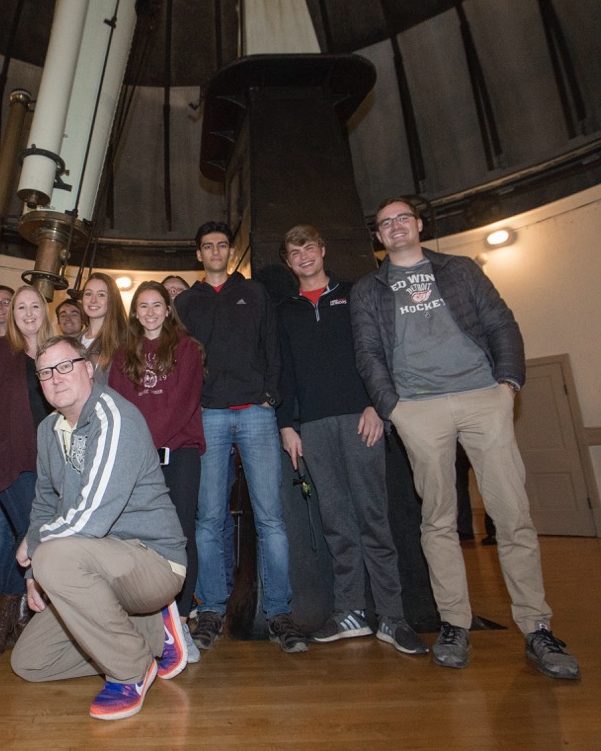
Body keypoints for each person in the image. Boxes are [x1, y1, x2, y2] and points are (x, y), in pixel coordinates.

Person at [350, 196, 580, 680]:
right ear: (378, 235)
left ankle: (537, 627)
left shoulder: (459, 270)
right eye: (384, 223)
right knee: (437, 521)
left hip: (482, 397)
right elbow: (368, 351)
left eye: (402, 219)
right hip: (419, 409)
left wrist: (508, 385)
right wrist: (395, 409)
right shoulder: (369, 289)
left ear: (418, 224)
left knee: (512, 515)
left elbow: (500, 321)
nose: (394, 227)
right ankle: (454, 623)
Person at [11, 337, 188, 721]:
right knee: (31, 663)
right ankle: (151, 632)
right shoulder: (48, 431)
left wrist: (38, 548)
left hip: (151, 561)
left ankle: (130, 668)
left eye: (65, 366)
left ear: (88, 368)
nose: (55, 379)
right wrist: (32, 573)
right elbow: (44, 504)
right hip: (94, 564)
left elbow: (92, 517)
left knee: (54, 558)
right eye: (44, 372)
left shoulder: (112, 415)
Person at [276, 225, 428, 656]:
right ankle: (351, 613)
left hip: (362, 420)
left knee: (373, 519)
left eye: (309, 246)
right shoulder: (285, 309)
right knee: (336, 523)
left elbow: (378, 351)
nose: (303, 255)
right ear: (288, 262)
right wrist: (288, 424)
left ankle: (392, 617)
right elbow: (284, 370)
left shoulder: (356, 294)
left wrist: (375, 405)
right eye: (294, 251)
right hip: (313, 429)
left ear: (322, 250)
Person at [174, 221, 307, 653]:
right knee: (208, 519)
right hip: (209, 415)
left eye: (222, 246)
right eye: (207, 246)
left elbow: (274, 346)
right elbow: (180, 362)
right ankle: (211, 609)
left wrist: (271, 395)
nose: (215, 251)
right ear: (199, 254)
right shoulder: (187, 303)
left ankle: (279, 611)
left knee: (271, 518)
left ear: (230, 252)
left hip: (254, 413)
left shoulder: (254, 293)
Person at [108, 281, 205, 662]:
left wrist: (148, 445)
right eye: (142, 306)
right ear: (135, 313)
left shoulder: (187, 349)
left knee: (180, 535)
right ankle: (146, 625)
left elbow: (182, 404)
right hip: (138, 460)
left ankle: (179, 622)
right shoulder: (122, 354)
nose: (150, 312)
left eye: (157, 305)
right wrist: (137, 450)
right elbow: (118, 406)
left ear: (168, 309)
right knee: (137, 539)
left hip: (179, 453)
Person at [0, 285, 55, 656]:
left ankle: (7, 618)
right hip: (12, 457)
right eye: (21, 307)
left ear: (44, 311)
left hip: (52, 462)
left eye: (35, 305)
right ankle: (9, 616)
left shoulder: (57, 351)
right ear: (12, 314)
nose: (28, 312)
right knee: (33, 532)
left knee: (25, 535)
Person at [77, 272, 126, 375]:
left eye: (101, 295)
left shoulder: (124, 341)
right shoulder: (74, 342)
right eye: (88, 294)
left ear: (112, 300)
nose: (93, 300)